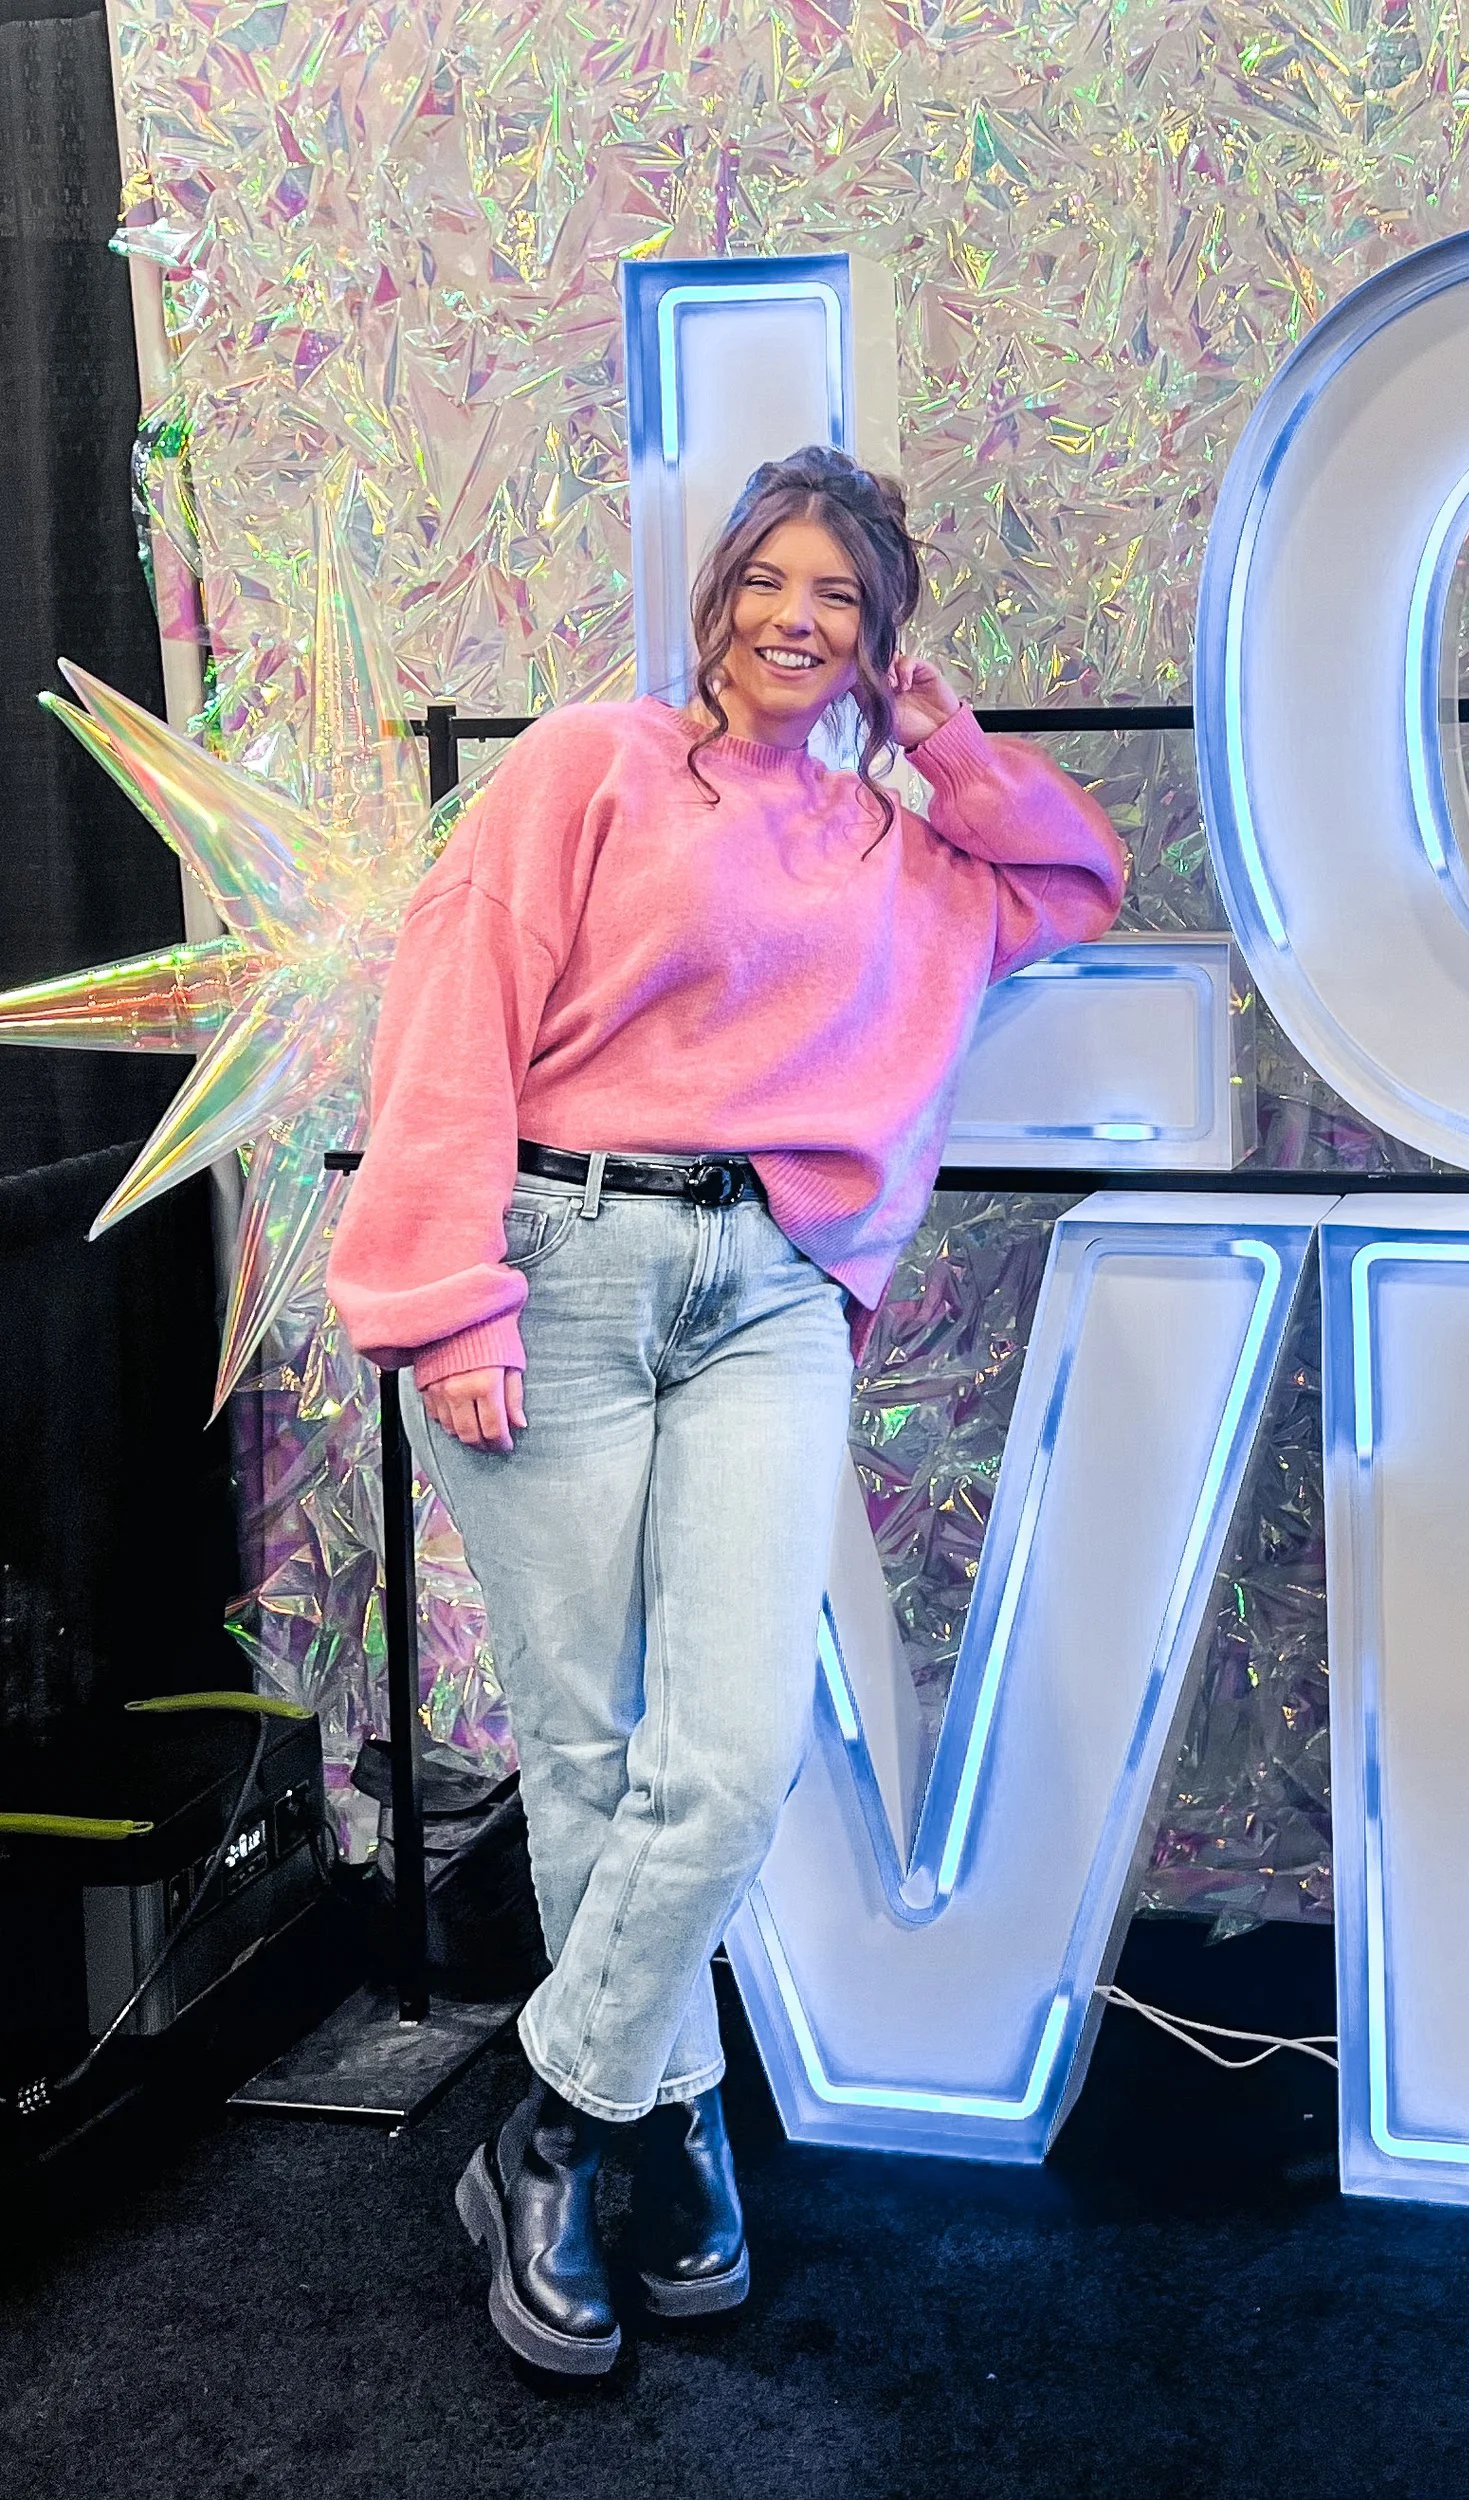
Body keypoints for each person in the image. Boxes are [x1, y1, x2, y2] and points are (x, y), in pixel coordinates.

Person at [326, 445, 1126, 2374]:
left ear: (880, 635)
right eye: (767, 579)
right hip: (559, 1263)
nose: (795, 617)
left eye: (841, 597)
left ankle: (547, 2121)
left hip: (769, 1288)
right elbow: (459, 1001)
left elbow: (1077, 875)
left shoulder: (904, 848)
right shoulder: (590, 762)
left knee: (737, 1748)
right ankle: (673, 2126)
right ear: (715, 596)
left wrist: (939, 742)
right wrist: (443, 1296)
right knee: (590, 1749)